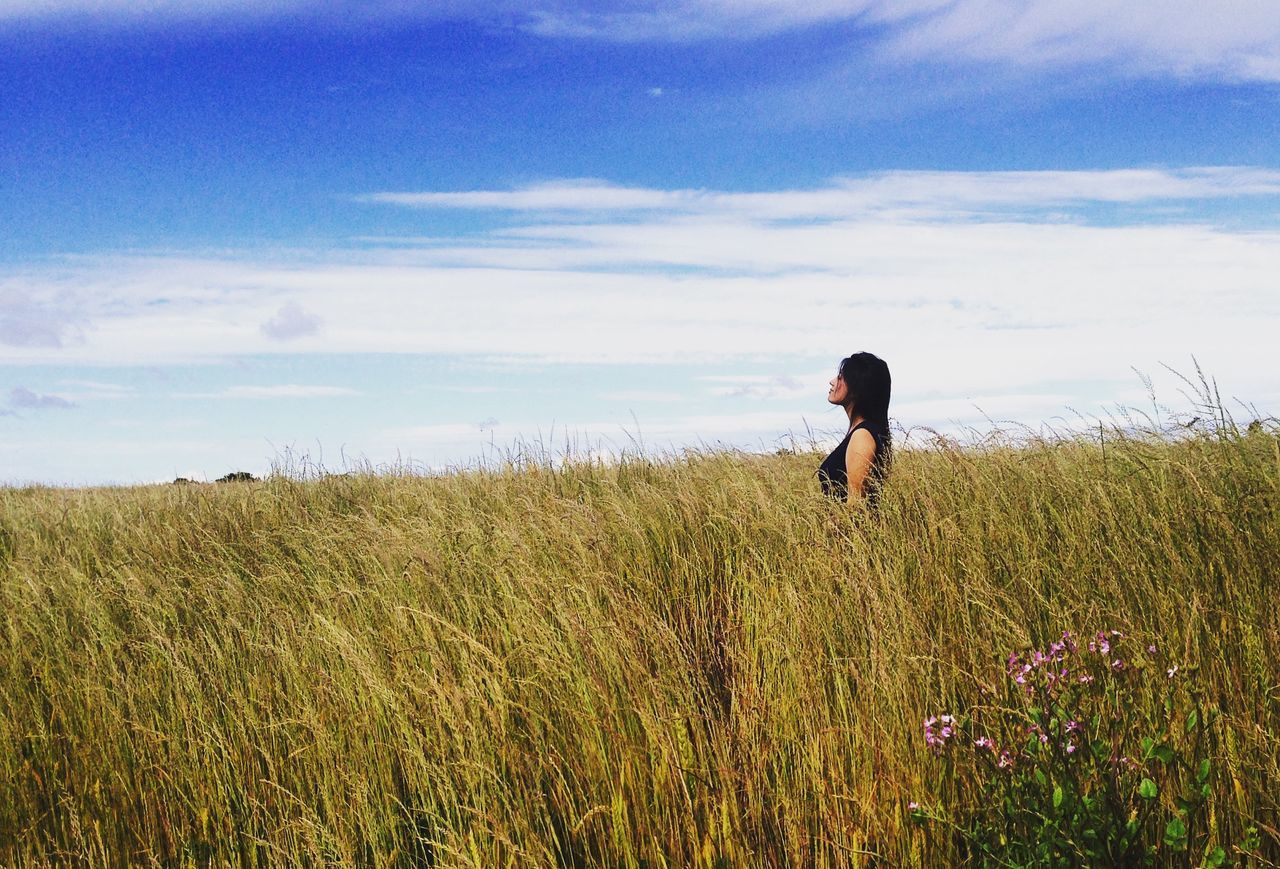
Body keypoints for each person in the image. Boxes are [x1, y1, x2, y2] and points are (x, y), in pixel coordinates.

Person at [817, 352, 892, 507]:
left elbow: (856, 506)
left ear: (857, 387)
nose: (832, 382)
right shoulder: (860, 431)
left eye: (840, 377)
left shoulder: (862, 436)